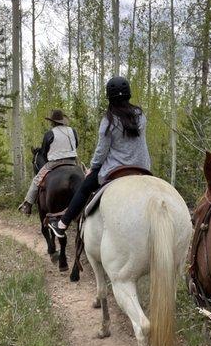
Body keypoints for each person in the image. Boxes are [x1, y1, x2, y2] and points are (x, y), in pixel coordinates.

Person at [49, 76, 151, 238]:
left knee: (84, 187)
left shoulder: (108, 120)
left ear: (109, 98)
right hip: (142, 168)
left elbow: (101, 152)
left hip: (117, 169)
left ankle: (62, 224)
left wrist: (93, 168)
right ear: (129, 94)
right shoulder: (140, 115)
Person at [18, 109, 78, 215]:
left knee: (37, 179)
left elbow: (44, 152)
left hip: (55, 163)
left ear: (52, 122)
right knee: (85, 173)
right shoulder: (72, 131)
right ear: (62, 121)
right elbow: (76, 144)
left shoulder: (50, 133)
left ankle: (27, 204)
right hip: (73, 162)